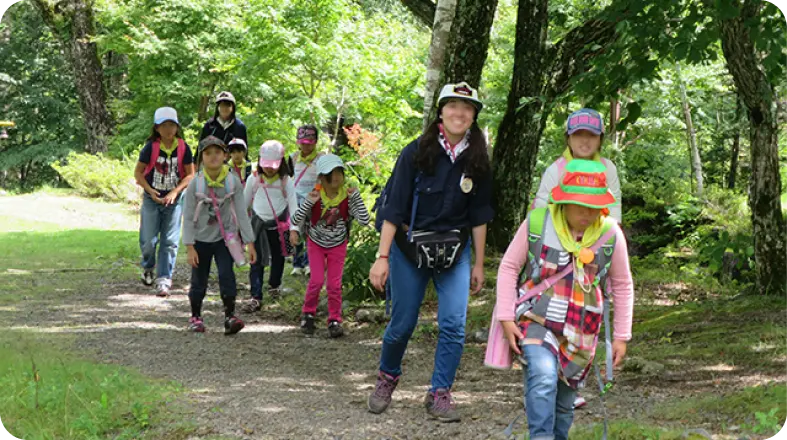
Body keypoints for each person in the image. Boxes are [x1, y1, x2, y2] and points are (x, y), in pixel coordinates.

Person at [366, 82, 493, 422]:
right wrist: (382, 257)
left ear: (474, 116)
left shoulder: (478, 157)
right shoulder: (416, 151)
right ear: (441, 111)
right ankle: (387, 377)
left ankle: (440, 392)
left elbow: (480, 216)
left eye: (467, 108)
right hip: (409, 251)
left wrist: (479, 263)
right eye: (453, 106)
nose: (459, 113)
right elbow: (394, 207)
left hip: (454, 253)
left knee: (453, 323)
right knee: (402, 324)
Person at [487, 159, 634, 440]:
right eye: (579, 205)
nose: (586, 213)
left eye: (593, 206)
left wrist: (621, 336)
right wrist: (506, 317)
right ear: (563, 200)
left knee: (565, 403)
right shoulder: (538, 223)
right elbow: (508, 267)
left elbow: (623, 284)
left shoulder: (611, 233)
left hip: (583, 329)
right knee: (542, 378)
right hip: (536, 319)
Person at [181, 136, 256, 334]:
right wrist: (189, 246)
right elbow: (188, 217)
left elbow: (242, 212)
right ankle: (195, 316)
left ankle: (230, 316)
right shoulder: (194, 185)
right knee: (199, 279)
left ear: (225, 155)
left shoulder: (233, 182)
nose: (213, 157)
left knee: (227, 275)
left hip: (226, 238)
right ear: (201, 158)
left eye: (217, 152)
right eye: (207, 153)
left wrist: (249, 242)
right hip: (200, 239)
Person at [291, 154, 370, 338]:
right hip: (316, 243)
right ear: (321, 177)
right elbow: (295, 219)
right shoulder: (315, 196)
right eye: (330, 173)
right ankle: (308, 313)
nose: (335, 177)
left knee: (334, 284)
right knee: (316, 280)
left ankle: (335, 319)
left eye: (338, 172)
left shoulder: (347, 198)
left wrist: (356, 197)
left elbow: (365, 220)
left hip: (338, 245)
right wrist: (309, 202)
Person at [134, 107, 195, 297]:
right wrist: (150, 190)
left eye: (172, 125)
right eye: (164, 125)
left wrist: (176, 192)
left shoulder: (183, 148)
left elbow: (191, 174)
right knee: (148, 241)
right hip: (152, 198)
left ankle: (164, 279)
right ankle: (148, 266)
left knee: (169, 241)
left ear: (177, 127)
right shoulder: (150, 148)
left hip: (174, 200)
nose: (169, 129)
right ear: (157, 128)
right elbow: (138, 173)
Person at [532, 108, 622, 223]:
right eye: (578, 134)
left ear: (600, 140)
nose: (585, 140)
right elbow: (541, 205)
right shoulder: (556, 170)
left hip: (599, 234)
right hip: (560, 234)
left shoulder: (608, 168)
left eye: (592, 135)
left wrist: (613, 234)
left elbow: (614, 205)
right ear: (568, 139)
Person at [241, 141, 298, 313]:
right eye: (266, 165)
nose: (269, 169)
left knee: (279, 256)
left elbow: (294, 205)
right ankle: (255, 296)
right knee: (256, 261)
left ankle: (274, 285)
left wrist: (295, 229)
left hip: (280, 226)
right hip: (258, 225)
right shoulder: (254, 179)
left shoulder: (286, 181)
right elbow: (243, 204)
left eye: (273, 165)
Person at [287, 124, 323, 276]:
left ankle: (309, 263)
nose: (305, 147)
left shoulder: (321, 158)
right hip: (297, 199)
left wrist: (319, 192)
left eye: (309, 143)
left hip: (315, 199)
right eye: (302, 143)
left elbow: (324, 178)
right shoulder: (293, 158)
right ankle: (297, 263)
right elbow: (287, 177)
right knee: (296, 231)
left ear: (315, 142)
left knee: (312, 232)